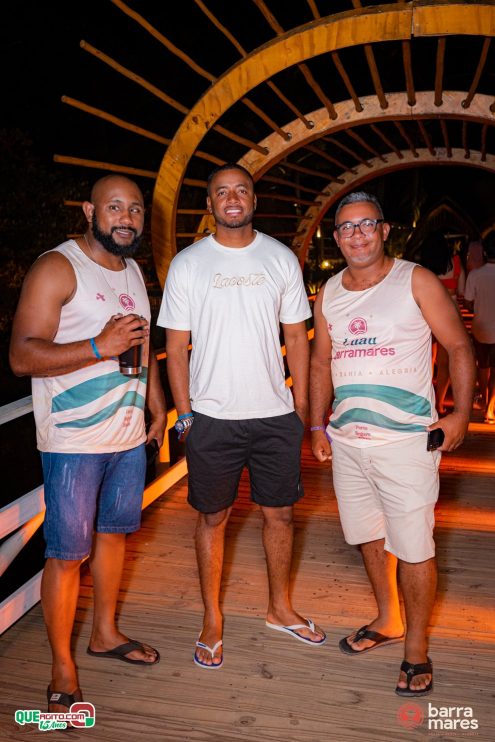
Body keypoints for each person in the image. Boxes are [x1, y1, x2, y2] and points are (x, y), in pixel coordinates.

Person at [158, 163, 326, 669]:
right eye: (221, 192)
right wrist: (185, 417)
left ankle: (279, 608)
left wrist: (300, 410)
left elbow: (296, 336)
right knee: (213, 518)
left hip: (275, 414)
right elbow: (176, 347)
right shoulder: (188, 264)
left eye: (241, 190)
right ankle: (212, 618)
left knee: (281, 514)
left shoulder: (280, 258)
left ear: (254, 200)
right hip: (212, 417)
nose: (232, 198)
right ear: (210, 204)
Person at [9, 175, 166, 712]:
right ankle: (61, 667)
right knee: (67, 554)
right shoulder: (58, 267)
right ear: (89, 211)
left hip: (127, 436)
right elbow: (22, 356)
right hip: (73, 440)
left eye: (135, 209)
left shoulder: (134, 271)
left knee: (114, 536)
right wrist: (100, 345)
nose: (126, 218)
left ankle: (104, 633)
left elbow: (142, 345)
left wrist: (156, 404)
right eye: (114, 207)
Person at [310, 191, 475, 697]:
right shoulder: (329, 292)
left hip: (406, 442)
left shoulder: (416, 280)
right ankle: (388, 618)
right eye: (346, 227)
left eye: (366, 224)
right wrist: (316, 426)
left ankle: (417, 650)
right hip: (347, 440)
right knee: (366, 535)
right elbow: (320, 362)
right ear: (337, 239)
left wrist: (461, 414)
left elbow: (458, 344)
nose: (356, 234)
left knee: (414, 547)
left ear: (384, 231)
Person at [419, 231, 466, 414]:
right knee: (444, 362)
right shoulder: (455, 262)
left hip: (426, 315)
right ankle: (439, 403)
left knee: (426, 361)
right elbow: (461, 290)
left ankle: (427, 401)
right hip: (449, 316)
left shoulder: (422, 268)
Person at [464, 231, 495, 424]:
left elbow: (468, 303)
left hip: (480, 327)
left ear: (484, 252)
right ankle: (490, 410)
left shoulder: (475, 275)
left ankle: (484, 399)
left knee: (483, 366)